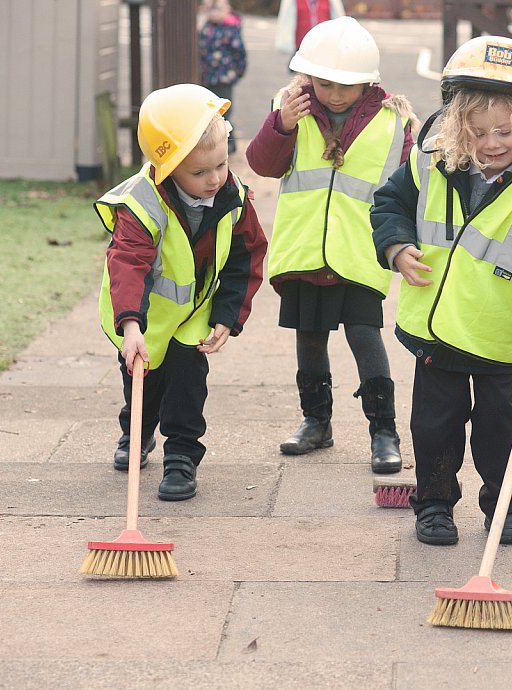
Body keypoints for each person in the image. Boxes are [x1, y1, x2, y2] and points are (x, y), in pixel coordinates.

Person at [370, 35, 512, 546]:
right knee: (433, 427)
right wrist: (397, 247)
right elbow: (387, 206)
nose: (492, 143)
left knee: (499, 429)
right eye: (480, 131)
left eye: (506, 132)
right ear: (457, 127)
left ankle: (504, 505)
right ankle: (434, 504)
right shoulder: (429, 163)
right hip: (437, 331)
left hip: (497, 335)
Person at [246, 16, 416, 474]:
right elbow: (261, 164)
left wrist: (404, 240)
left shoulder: (394, 122)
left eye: (348, 86)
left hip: (361, 251)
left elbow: (409, 187)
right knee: (310, 337)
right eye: (325, 84)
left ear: (369, 82)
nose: (336, 95)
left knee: (365, 335)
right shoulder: (290, 109)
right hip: (304, 249)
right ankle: (316, 422)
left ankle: (384, 430)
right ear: (307, 77)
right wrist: (280, 125)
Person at [98, 83, 267, 501]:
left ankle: (181, 457)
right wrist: (131, 326)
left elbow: (246, 259)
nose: (214, 179)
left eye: (221, 165)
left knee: (188, 386)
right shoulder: (141, 205)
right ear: (168, 166)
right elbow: (129, 265)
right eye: (199, 172)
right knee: (142, 381)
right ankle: (135, 432)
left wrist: (228, 317)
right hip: (144, 315)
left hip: (193, 317)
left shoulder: (234, 200)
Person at [198, 0, 247, 153]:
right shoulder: (206, 28)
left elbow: (240, 53)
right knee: (210, 112)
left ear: (226, 10)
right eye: (210, 10)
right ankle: (214, 142)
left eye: (217, 9)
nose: (213, 13)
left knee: (224, 111)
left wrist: (236, 73)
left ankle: (229, 142)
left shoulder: (230, 29)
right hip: (207, 78)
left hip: (224, 78)